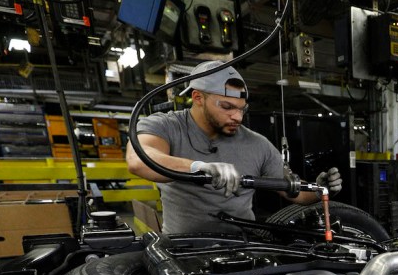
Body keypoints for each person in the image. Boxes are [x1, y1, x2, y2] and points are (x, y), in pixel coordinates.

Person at [126, 60, 341, 234]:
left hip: (243, 248)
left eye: (242, 109)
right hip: (181, 250)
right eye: (227, 107)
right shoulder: (166, 126)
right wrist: (197, 167)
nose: (237, 117)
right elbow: (139, 159)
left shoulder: (257, 144)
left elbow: (294, 192)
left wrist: (318, 188)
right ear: (198, 97)